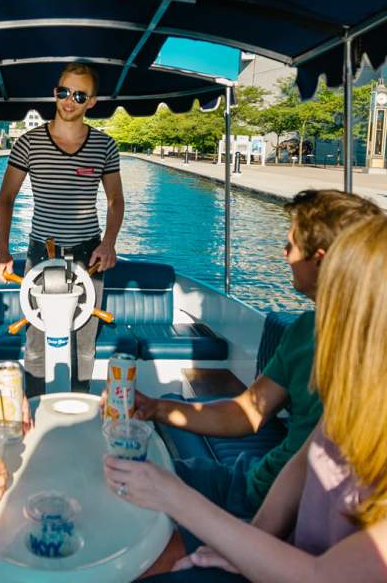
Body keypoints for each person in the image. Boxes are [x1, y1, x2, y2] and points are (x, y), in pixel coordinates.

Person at [104, 214, 387, 582]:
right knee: (108, 480)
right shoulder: (358, 401)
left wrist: (176, 499)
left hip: (295, 564)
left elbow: (320, 575)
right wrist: (254, 535)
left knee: (138, 559)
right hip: (262, 512)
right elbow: (303, 463)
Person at [0, 62, 124, 396]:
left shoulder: (105, 146)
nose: (69, 101)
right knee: (36, 340)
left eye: (79, 95)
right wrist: (3, 252)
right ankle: (34, 409)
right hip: (40, 253)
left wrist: (108, 244)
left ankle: (79, 409)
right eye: (64, 92)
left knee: (84, 341)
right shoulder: (28, 143)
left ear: (91, 102)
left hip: (89, 255)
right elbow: (6, 199)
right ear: (55, 93)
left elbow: (115, 201)